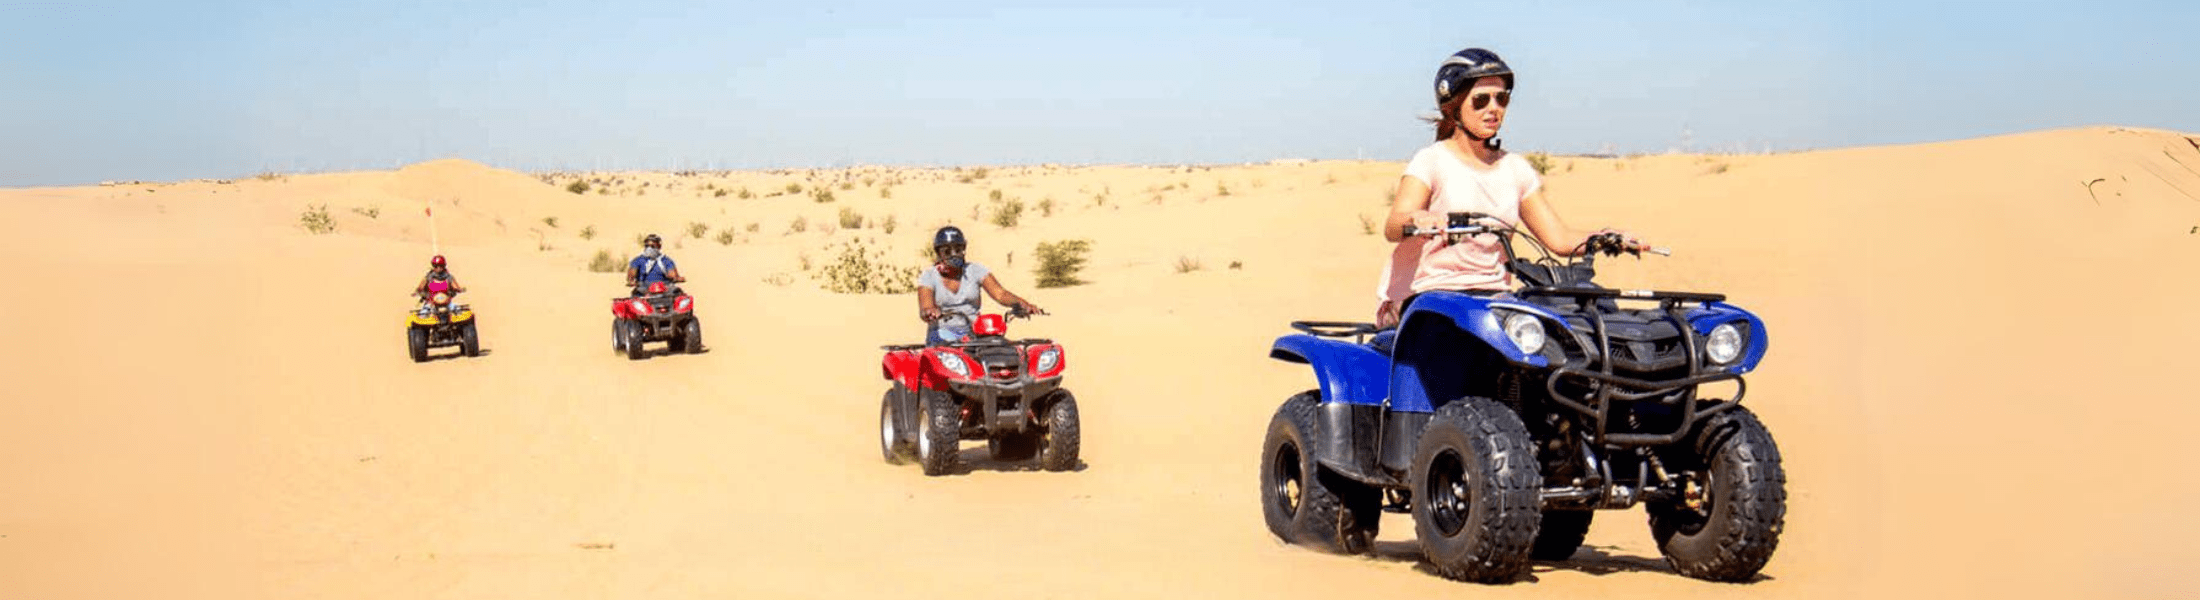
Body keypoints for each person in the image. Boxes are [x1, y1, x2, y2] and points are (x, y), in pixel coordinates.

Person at [1375, 47, 1650, 327]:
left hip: (1493, 300)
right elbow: (1393, 226)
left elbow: (1560, 239)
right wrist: (1418, 218)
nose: (1493, 108)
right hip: (1431, 297)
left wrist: (1606, 236)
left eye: (1502, 98)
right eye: (1481, 100)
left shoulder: (1515, 169)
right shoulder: (1432, 160)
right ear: (1453, 106)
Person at [916, 226, 1042, 345]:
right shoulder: (929, 276)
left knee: (1001, 349)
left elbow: (1000, 294)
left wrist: (1023, 304)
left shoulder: (976, 270)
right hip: (942, 334)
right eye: (947, 251)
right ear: (939, 254)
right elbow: (926, 306)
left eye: (958, 249)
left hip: (974, 331)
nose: (954, 254)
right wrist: (930, 312)